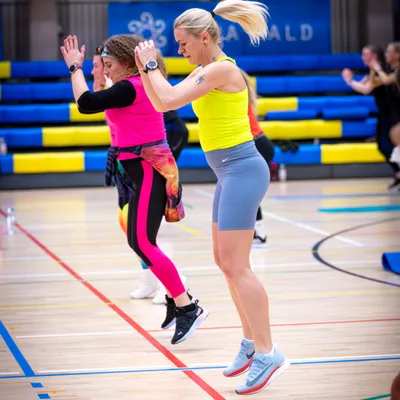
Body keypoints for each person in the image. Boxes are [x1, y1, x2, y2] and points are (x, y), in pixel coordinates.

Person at [135, 0, 290, 395]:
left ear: (204, 37)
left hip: (243, 170)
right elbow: (160, 102)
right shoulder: (204, 70)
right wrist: (144, 68)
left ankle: (269, 352)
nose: (179, 50)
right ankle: (251, 344)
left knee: (238, 267)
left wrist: (151, 66)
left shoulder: (222, 69)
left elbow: (169, 99)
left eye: (183, 43)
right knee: (225, 263)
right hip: (228, 173)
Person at [60, 33, 208, 345]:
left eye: (109, 65)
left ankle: (187, 307)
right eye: (104, 65)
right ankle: (178, 300)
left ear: (128, 63)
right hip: (137, 171)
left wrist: (75, 68)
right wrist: (98, 77)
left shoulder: (132, 87)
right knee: (139, 240)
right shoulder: (129, 86)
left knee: (142, 241)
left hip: (148, 169)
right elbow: (104, 104)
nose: (106, 70)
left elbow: (86, 104)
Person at [91, 45, 190, 305]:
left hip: (152, 152)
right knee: (128, 225)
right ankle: (149, 278)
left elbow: (88, 103)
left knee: (144, 229)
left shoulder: (131, 89)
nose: (95, 71)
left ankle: (172, 282)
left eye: (99, 66)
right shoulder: (115, 91)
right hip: (126, 161)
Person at [342, 44, 400, 191]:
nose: (362, 58)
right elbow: (364, 86)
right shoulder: (374, 71)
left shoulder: (384, 69)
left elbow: (368, 88)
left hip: (393, 112)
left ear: (373, 56)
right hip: (384, 113)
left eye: (365, 54)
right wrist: (350, 80)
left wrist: (349, 80)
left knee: (388, 145)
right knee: (383, 145)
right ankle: (398, 173)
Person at [241, 70, 275, 246]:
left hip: (258, 145)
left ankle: (259, 233)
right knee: (247, 192)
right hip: (260, 144)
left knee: (249, 193)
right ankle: (255, 231)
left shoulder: (237, 99)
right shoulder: (240, 96)